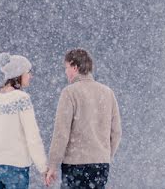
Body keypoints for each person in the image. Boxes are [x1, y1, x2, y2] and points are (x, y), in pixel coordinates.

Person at [45, 48, 122, 188]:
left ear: (75, 67)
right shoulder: (107, 93)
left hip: (75, 164)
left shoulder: (70, 93)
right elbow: (116, 132)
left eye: (66, 67)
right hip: (100, 165)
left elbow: (61, 133)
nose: (65, 72)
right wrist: (105, 155)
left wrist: (52, 165)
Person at [0, 52, 48, 188]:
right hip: (15, 168)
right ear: (18, 74)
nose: (31, 76)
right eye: (28, 72)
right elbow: (33, 137)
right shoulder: (22, 99)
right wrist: (43, 167)